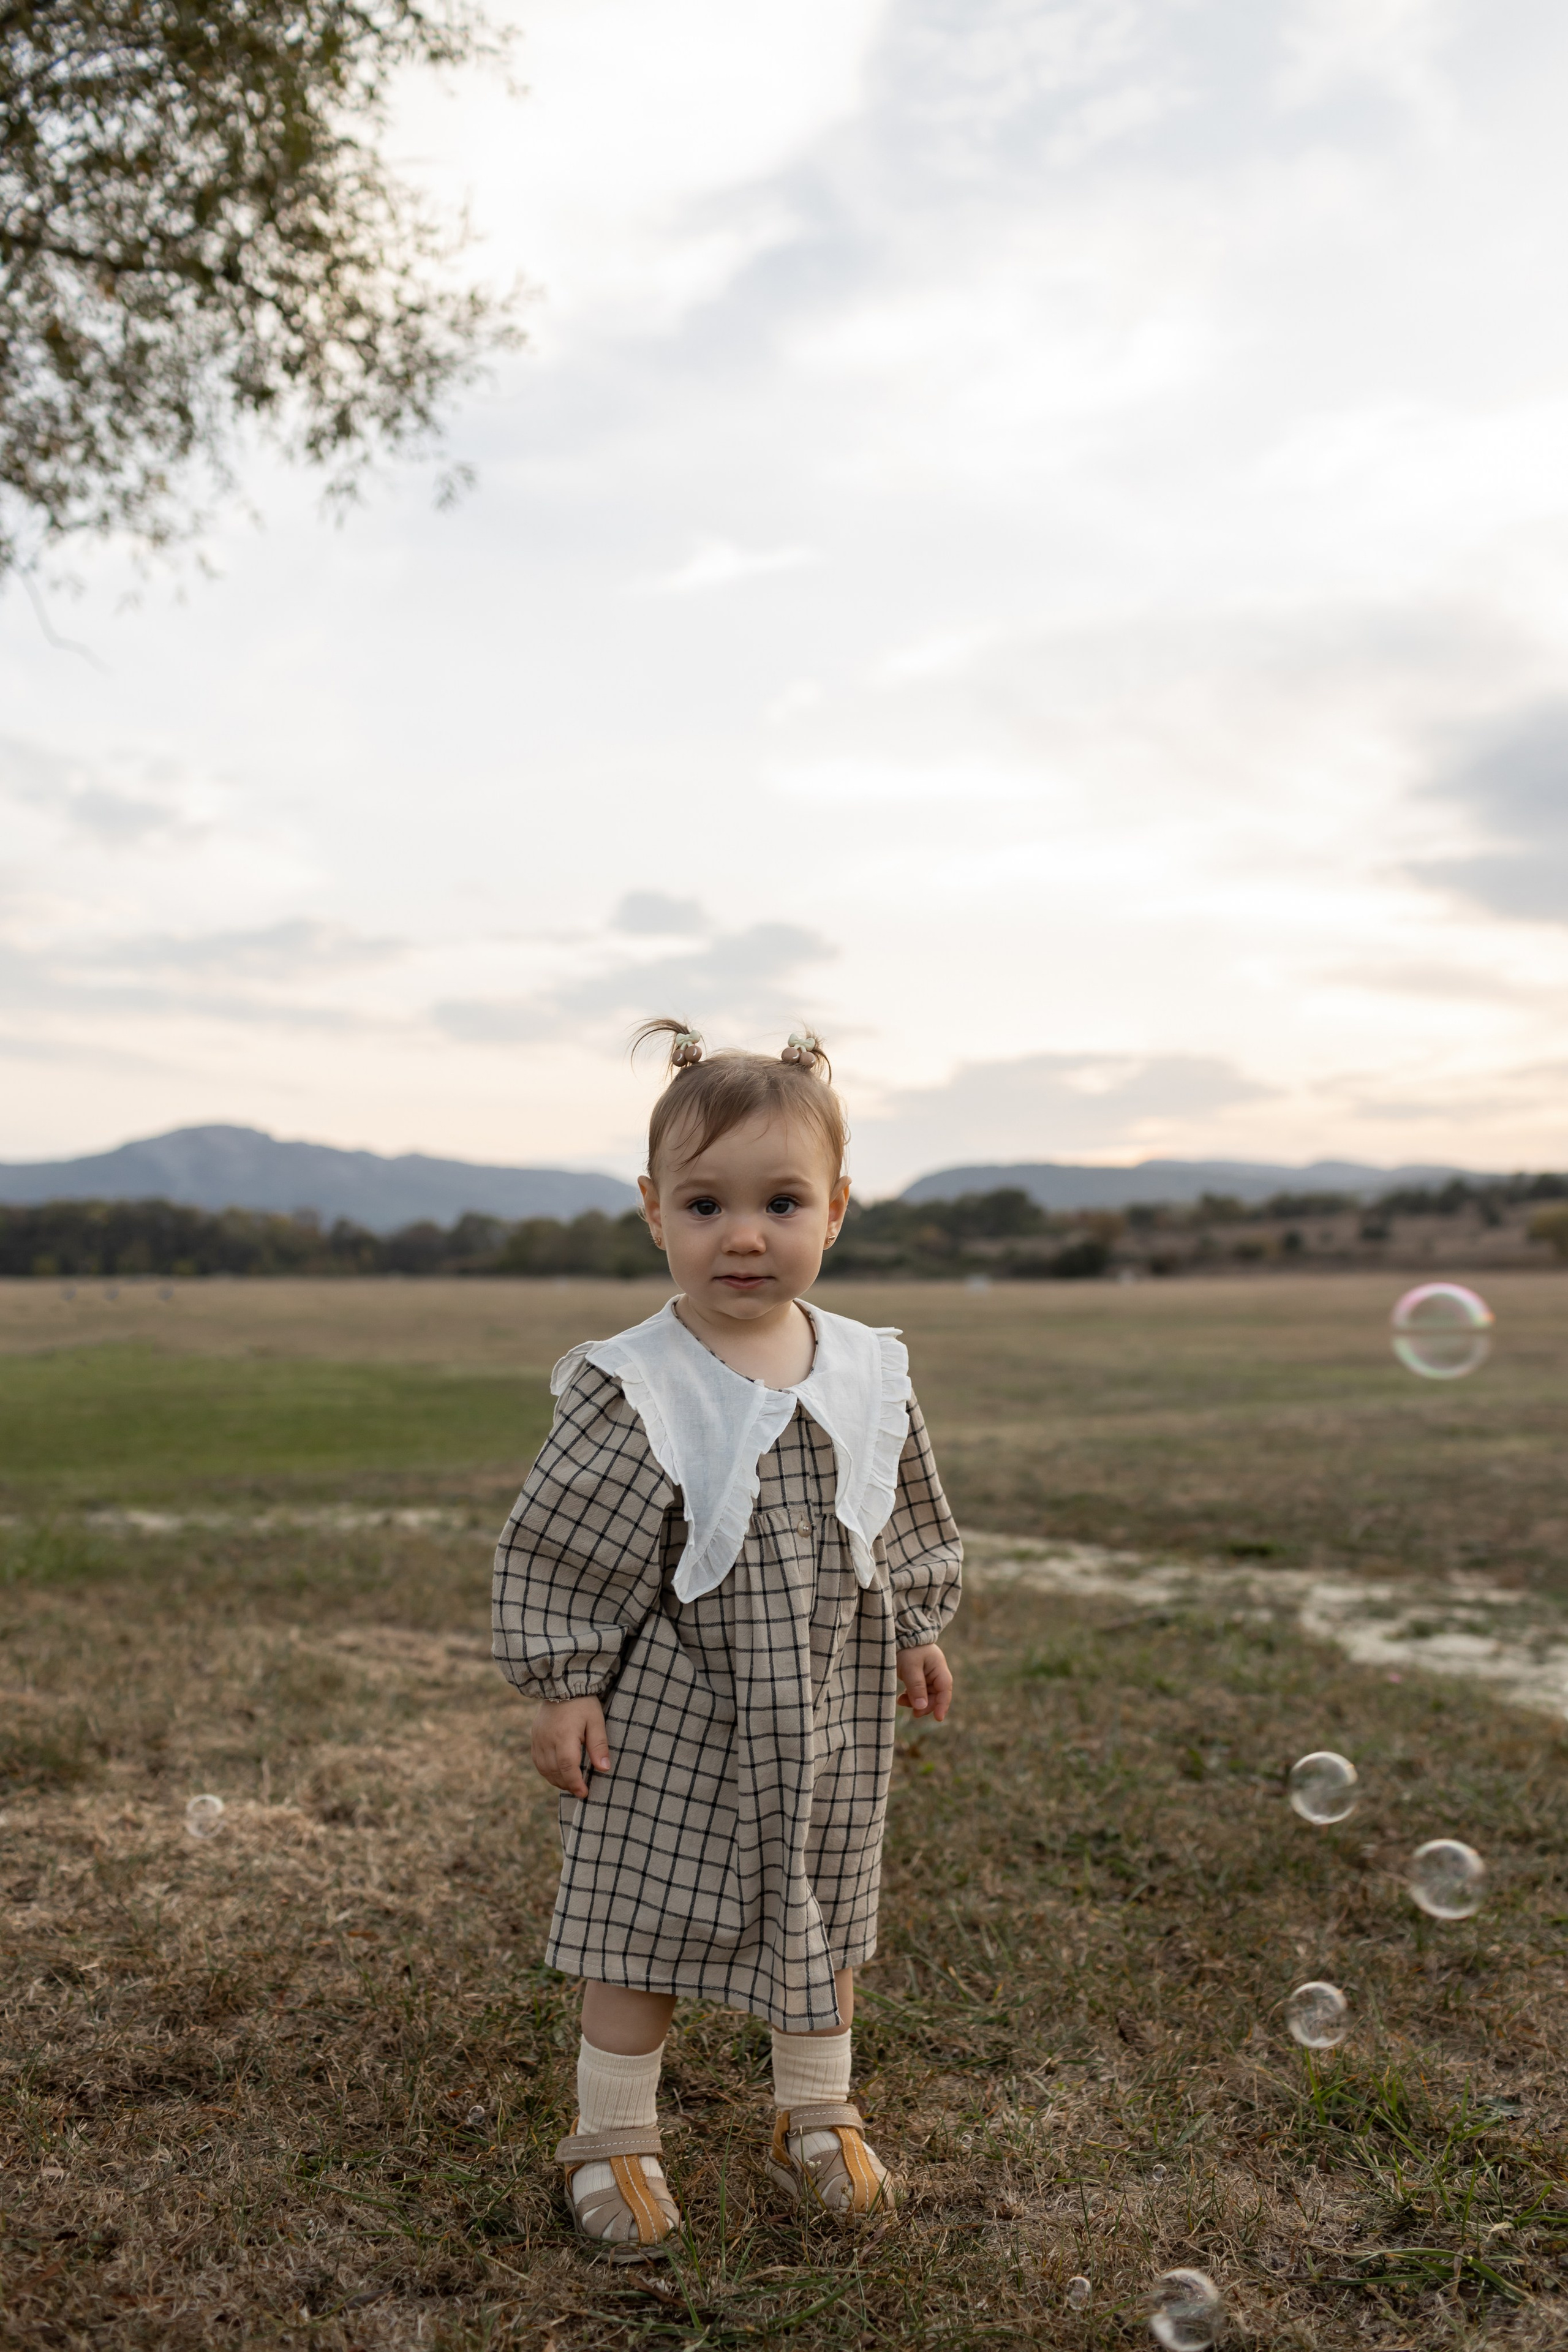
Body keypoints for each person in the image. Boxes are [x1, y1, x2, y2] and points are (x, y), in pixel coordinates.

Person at [491, 1020, 962, 2260]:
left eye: (781, 1202)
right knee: (639, 1920)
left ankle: (814, 2109)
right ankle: (612, 2136)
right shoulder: (638, 1377)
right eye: (706, 1204)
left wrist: (913, 1624)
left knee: (824, 1899)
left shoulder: (866, 1367)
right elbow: (564, 1542)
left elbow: (902, 1510)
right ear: (654, 1213)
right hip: (674, 1704)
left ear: (837, 1212)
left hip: (825, 1695)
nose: (743, 1234)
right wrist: (563, 1685)